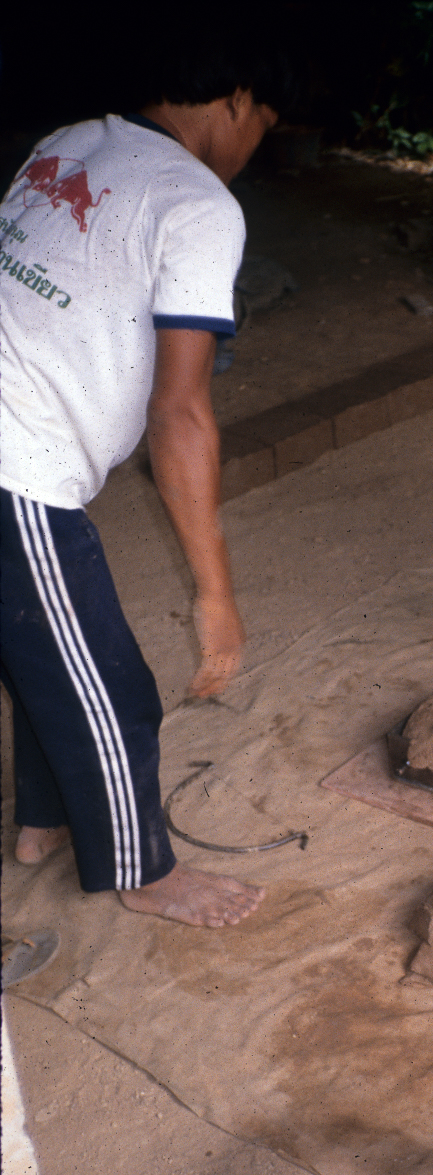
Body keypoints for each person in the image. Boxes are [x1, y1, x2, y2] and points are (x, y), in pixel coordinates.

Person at [0, 31, 294, 927]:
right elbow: (181, 413)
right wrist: (215, 593)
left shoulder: (68, 142)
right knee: (114, 689)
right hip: (13, 465)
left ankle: (43, 823)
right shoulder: (197, 203)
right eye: (264, 125)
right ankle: (144, 871)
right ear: (236, 100)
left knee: (45, 652)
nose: (255, 148)